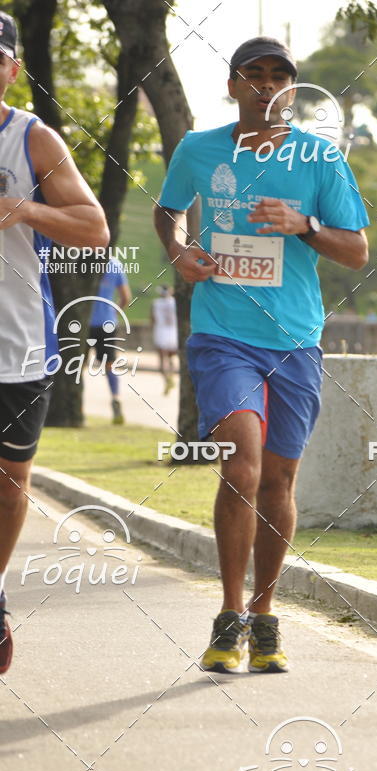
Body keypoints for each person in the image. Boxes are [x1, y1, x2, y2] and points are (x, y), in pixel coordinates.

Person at [154, 36, 369, 674]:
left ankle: (265, 612)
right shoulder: (199, 149)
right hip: (222, 334)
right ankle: (228, 615)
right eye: (254, 75)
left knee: (277, 479)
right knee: (241, 466)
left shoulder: (319, 157)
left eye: (279, 77)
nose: (266, 86)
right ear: (233, 85)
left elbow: (356, 249)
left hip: (296, 338)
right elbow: (168, 212)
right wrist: (179, 249)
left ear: (291, 91)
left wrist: (304, 226)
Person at [0, 11, 109, 674]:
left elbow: (94, 227)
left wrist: (23, 209)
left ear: (11, 69)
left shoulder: (31, 138)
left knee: (11, 484)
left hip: (17, 344)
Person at [88, 257, 131, 423]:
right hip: (107, 323)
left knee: (76, 366)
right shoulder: (115, 264)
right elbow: (126, 297)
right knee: (109, 365)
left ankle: (75, 404)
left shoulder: (81, 262)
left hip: (83, 323)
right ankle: (115, 397)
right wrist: (113, 314)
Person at [151, 284, 178, 394]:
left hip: (161, 331)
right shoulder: (175, 302)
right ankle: (171, 376)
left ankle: (167, 379)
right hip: (173, 332)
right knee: (171, 358)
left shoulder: (156, 303)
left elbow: (152, 319)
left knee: (162, 359)